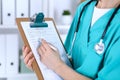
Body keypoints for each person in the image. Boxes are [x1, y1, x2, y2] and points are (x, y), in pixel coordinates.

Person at [23, 0, 120, 79]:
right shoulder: (83, 9)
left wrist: (57, 66)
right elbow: (67, 60)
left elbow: (60, 65)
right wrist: (41, 64)